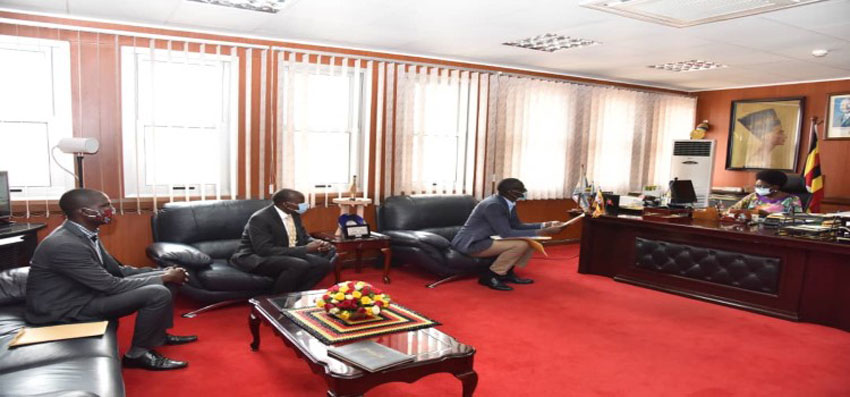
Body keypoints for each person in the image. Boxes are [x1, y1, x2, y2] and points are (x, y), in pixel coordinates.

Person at [26, 189, 196, 371]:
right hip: (65, 309)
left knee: (168, 280)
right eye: (105, 206)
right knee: (158, 291)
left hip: (86, 294)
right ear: (84, 212)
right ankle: (136, 355)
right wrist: (162, 277)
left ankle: (158, 335)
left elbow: (118, 271)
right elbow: (111, 285)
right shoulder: (65, 244)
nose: (111, 210)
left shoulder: (85, 233)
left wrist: (163, 273)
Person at [451, 178, 568, 291]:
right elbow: (506, 233)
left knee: (528, 241)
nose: (524, 192)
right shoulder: (493, 205)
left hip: (485, 240)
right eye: (521, 189)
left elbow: (517, 226)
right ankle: (491, 276)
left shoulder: (507, 202)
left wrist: (545, 225)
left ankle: (507, 272)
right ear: (511, 192)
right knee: (520, 245)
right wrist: (542, 232)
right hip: (471, 243)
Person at [231, 188, 334, 293]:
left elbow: (303, 236)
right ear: (286, 204)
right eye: (300, 203)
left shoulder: (294, 214)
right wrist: (305, 249)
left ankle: (296, 294)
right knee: (299, 265)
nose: (304, 206)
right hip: (256, 257)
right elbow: (264, 250)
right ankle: (277, 300)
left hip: (286, 253)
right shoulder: (260, 218)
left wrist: (318, 243)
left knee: (323, 264)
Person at [726, 170, 803, 215]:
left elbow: (798, 220)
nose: (758, 189)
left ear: (775, 187)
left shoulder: (793, 200)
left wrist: (765, 214)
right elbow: (731, 210)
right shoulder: (752, 197)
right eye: (756, 186)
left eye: (761, 186)